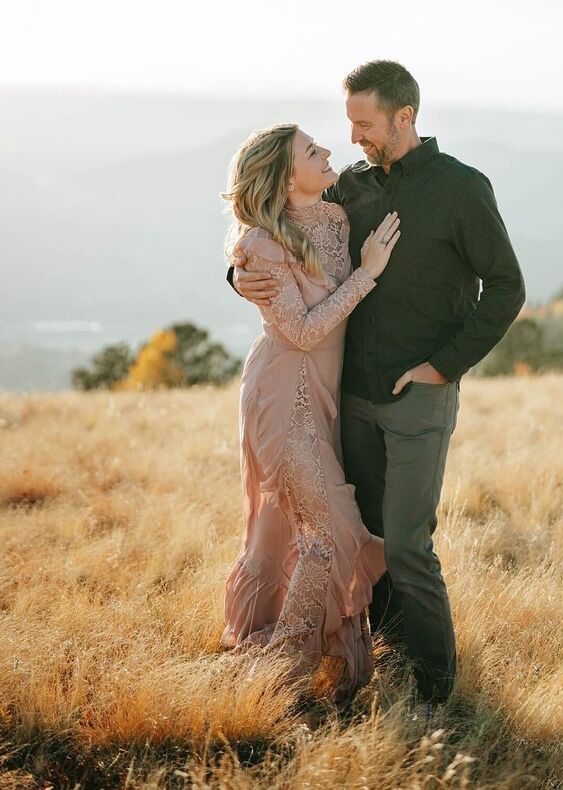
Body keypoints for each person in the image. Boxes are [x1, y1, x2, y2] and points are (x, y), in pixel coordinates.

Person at [233, 61, 526, 718]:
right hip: (349, 401)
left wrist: (443, 367)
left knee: (405, 544)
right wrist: (238, 273)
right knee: (366, 540)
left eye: (365, 125)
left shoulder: (462, 189)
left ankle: (433, 688)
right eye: (349, 126)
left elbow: (507, 287)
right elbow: (281, 220)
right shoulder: (355, 190)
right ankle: (387, 662)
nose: (354, 139)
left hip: (421, 397)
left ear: (404, 117)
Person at [220, 122, 402, 698]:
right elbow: (299, 330)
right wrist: (368, 274)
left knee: (290, 526)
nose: (328, 154)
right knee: (328, 529)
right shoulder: (260, 247)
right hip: (282, 396)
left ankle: (291, 650)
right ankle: (283, 674)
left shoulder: (336, 218)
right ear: (282, 175)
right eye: (312, 151)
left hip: (324, 398)